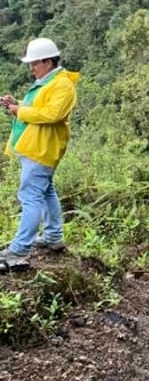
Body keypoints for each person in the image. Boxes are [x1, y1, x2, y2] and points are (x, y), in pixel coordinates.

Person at [0, 38, 80, 260]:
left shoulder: (62, 85)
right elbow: (38, 109)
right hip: (34, 147)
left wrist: (20, 111)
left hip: (41, 150)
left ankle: (19, 248)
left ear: (49, 61)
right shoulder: (48, 82)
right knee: (45, 191)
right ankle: (53, 236)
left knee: (30, 196)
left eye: (35, 63)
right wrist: (15, 104)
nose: (32, 68)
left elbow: (52, 114)